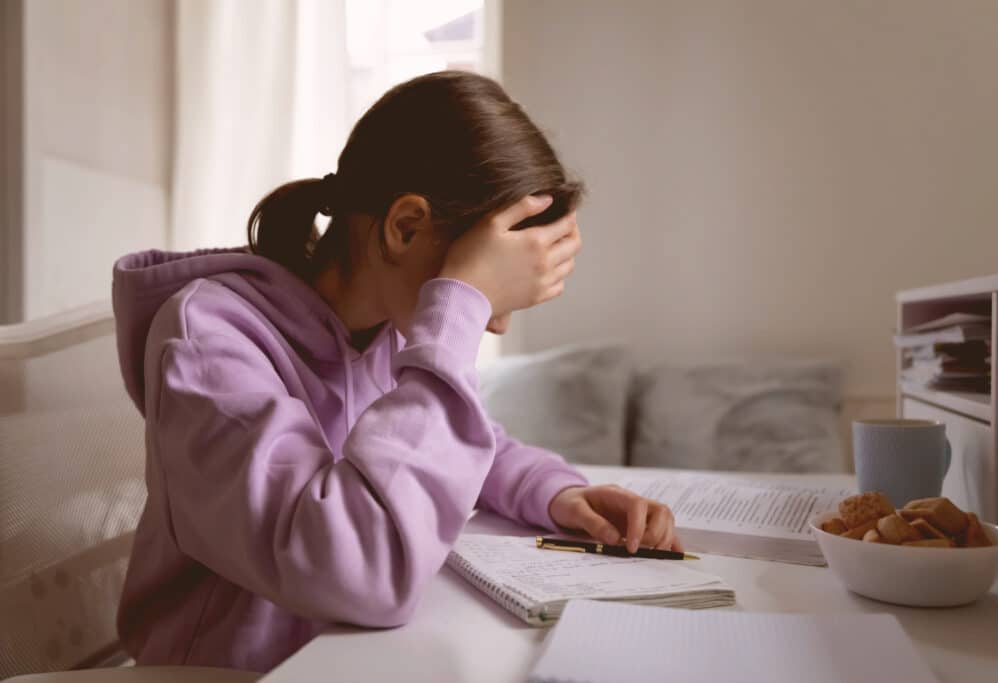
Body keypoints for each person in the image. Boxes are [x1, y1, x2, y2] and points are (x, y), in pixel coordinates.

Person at [112, 70, 682, 673]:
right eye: (488, 295)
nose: (495, 327)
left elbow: (471, 445)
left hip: (354, 658)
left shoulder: (379, 332)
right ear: (405, 227)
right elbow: (360, 568)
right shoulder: (210, 340)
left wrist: (560, 493)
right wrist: (455, 307)